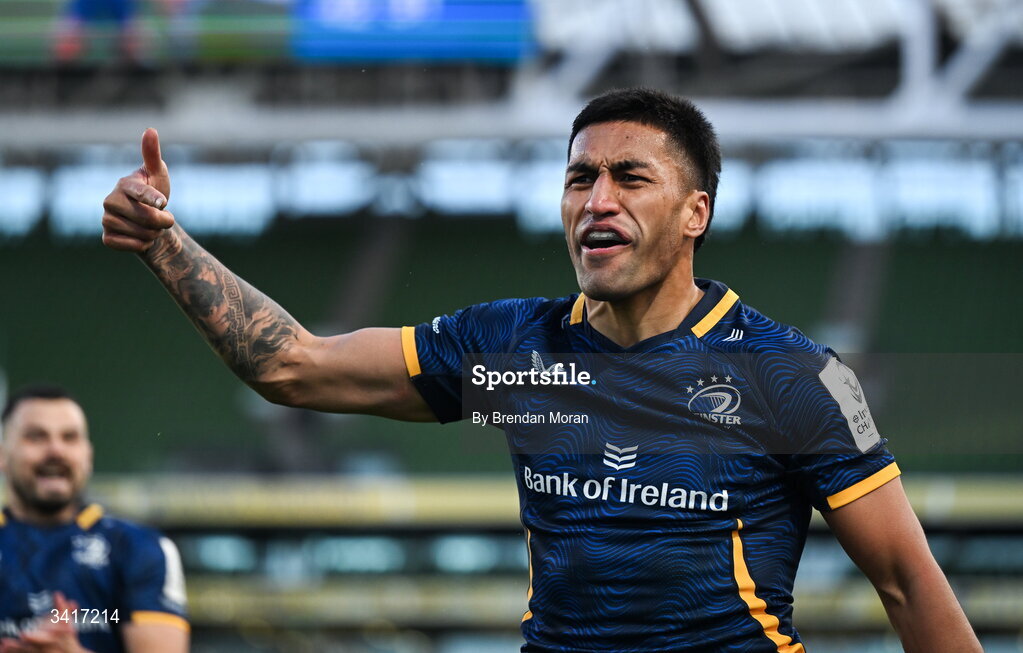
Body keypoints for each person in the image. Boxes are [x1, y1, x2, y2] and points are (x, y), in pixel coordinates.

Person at [100, 88, 980, 652]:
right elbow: (294, 365)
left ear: (694, 213)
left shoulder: (790, 376)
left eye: (630, 177)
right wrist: (165, 244)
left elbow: (907, 583)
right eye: (578, 179)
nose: (596, 199)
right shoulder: (513, 354)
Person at [0, 386, 189, 653]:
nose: (56, 450)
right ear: (2, 455)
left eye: (70, 437)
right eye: (36, 437)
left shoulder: (139, 548)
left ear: (88, 455)